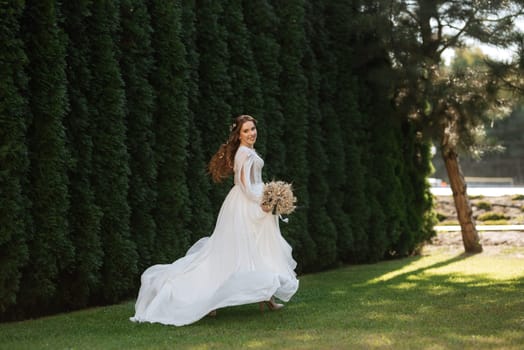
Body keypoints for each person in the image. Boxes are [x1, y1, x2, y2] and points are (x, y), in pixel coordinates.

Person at [130, 115, 299, 326]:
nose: (251, 133)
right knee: (234, 252)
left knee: (258, 249)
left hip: (254, 201)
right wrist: (261, 202)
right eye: (246, 131)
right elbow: (244, 184)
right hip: (247, 204)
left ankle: (267, 297)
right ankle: (211, 299)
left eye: (253, 129)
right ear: (238, 135)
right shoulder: (244, 153)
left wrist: (268, 195)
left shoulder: (248, 151)